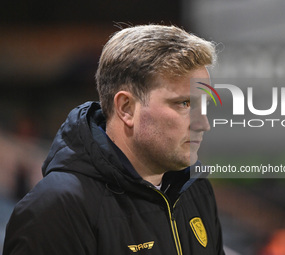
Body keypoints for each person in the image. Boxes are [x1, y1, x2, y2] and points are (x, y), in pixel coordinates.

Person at [3, 24, 225, 255]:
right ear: (126, 108)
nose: (204, 124)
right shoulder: (57, 207)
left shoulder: (196, 189)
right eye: (184, 104)